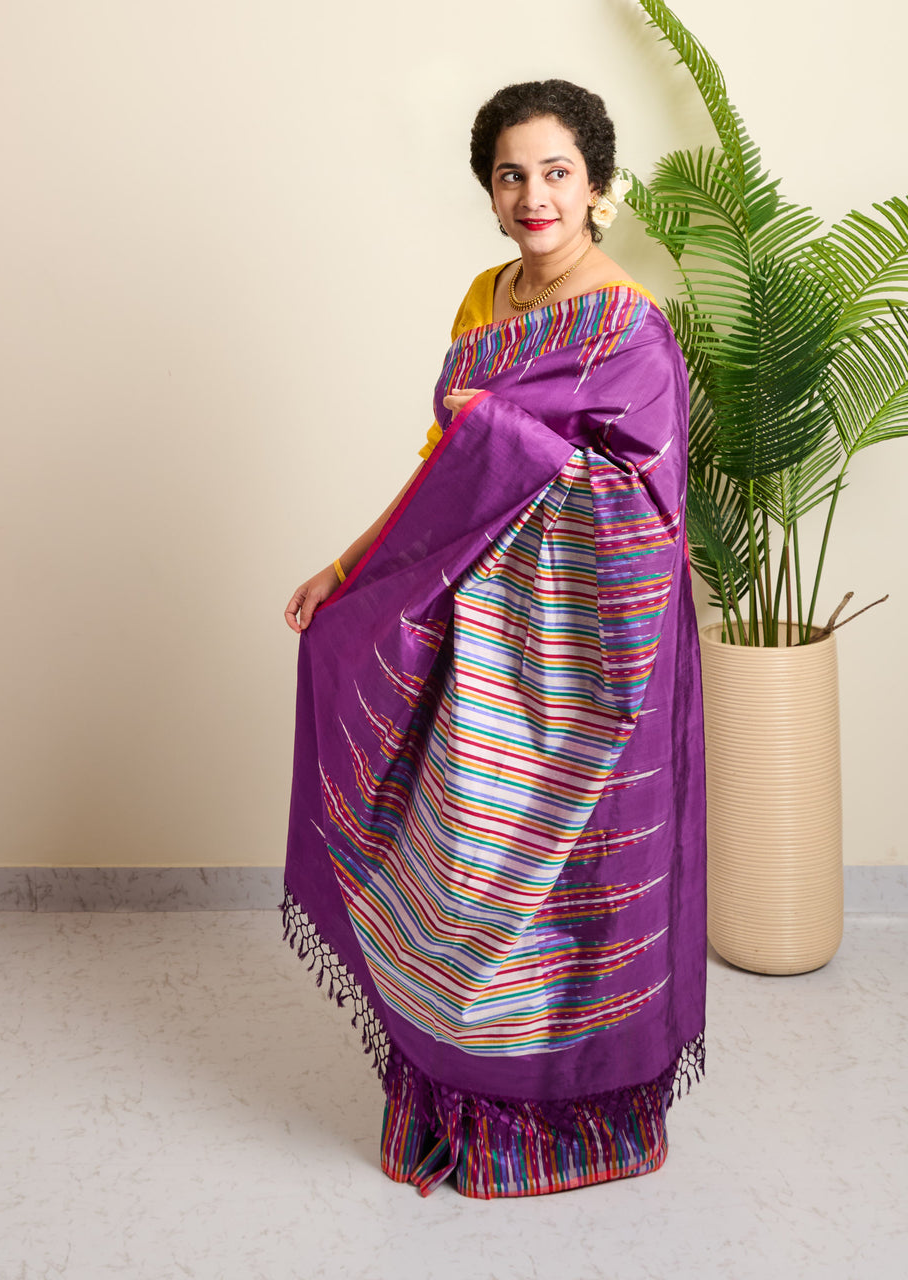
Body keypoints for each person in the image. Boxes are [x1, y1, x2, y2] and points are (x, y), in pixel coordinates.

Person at [282, 79, 706, 1199]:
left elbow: (643, 502)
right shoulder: (486, 298)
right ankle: (457, 1100)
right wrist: (350, 562)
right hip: (479, 624)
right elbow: (446, 465)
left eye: (557, 171)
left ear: (600, 188)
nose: (534, 194)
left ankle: (564, 1119)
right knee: (461, 848)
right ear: (488, 191)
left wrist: (503, 448)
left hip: (589, 644)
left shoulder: (627, 323)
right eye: (512, 173)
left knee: (570, 872)